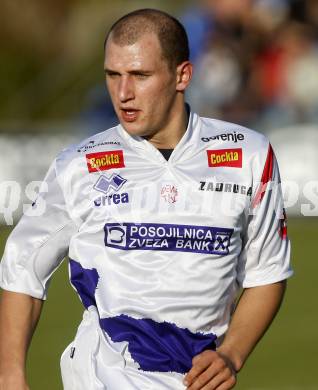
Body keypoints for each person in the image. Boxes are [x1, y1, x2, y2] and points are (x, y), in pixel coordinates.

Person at [0, 8, 292, 390]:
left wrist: (231, 354)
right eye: (112, 75)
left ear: (182, 75)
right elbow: (23, 267)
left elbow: (267, 272)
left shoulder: (249, 156)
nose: (123, 93)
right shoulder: (80, 166)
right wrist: (10, 376)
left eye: (139, 75)